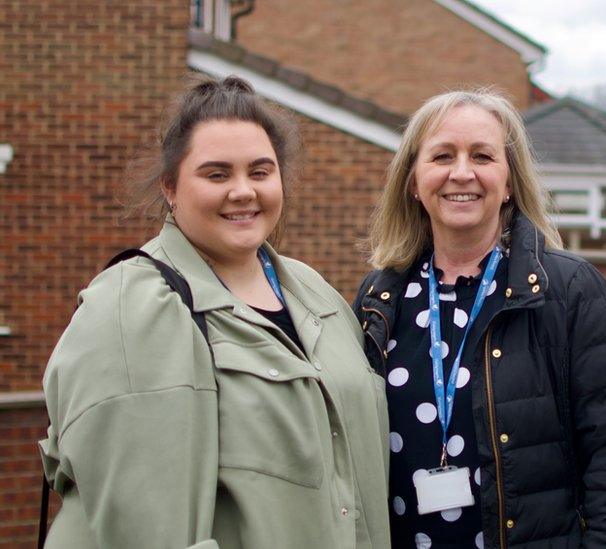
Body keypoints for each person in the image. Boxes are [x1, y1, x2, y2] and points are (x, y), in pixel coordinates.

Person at [39, 75, 390, 548]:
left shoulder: (313, 290)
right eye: (217, 174)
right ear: (170, 186)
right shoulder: (133, 306)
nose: (243, 191)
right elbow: (145, 528)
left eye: (260, 171)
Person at [354, 89, 606, 548]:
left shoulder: (569, 291)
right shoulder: (380, 298)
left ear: (510, 180)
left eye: (482, 155)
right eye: (441, 156)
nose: (461, 172)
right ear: (413, 180)